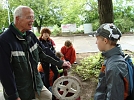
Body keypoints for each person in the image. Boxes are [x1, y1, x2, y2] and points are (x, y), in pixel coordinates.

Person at [0, 5, 71, 100]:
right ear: (17, 19)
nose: (32, 20)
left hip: (37, 85)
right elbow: (5, 72)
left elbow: (44, 52)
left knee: (49, 98)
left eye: (33, 17)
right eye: (29, 17)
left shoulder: (30, 36)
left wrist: (61, 62)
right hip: (20, 91)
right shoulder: (4, 40)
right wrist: (13, 96)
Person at [94, 23, 130, 100]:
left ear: (105, 40)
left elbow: (114, 97)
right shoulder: (111, 58)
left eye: (97, 39)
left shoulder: (114, 66)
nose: (96, 42)